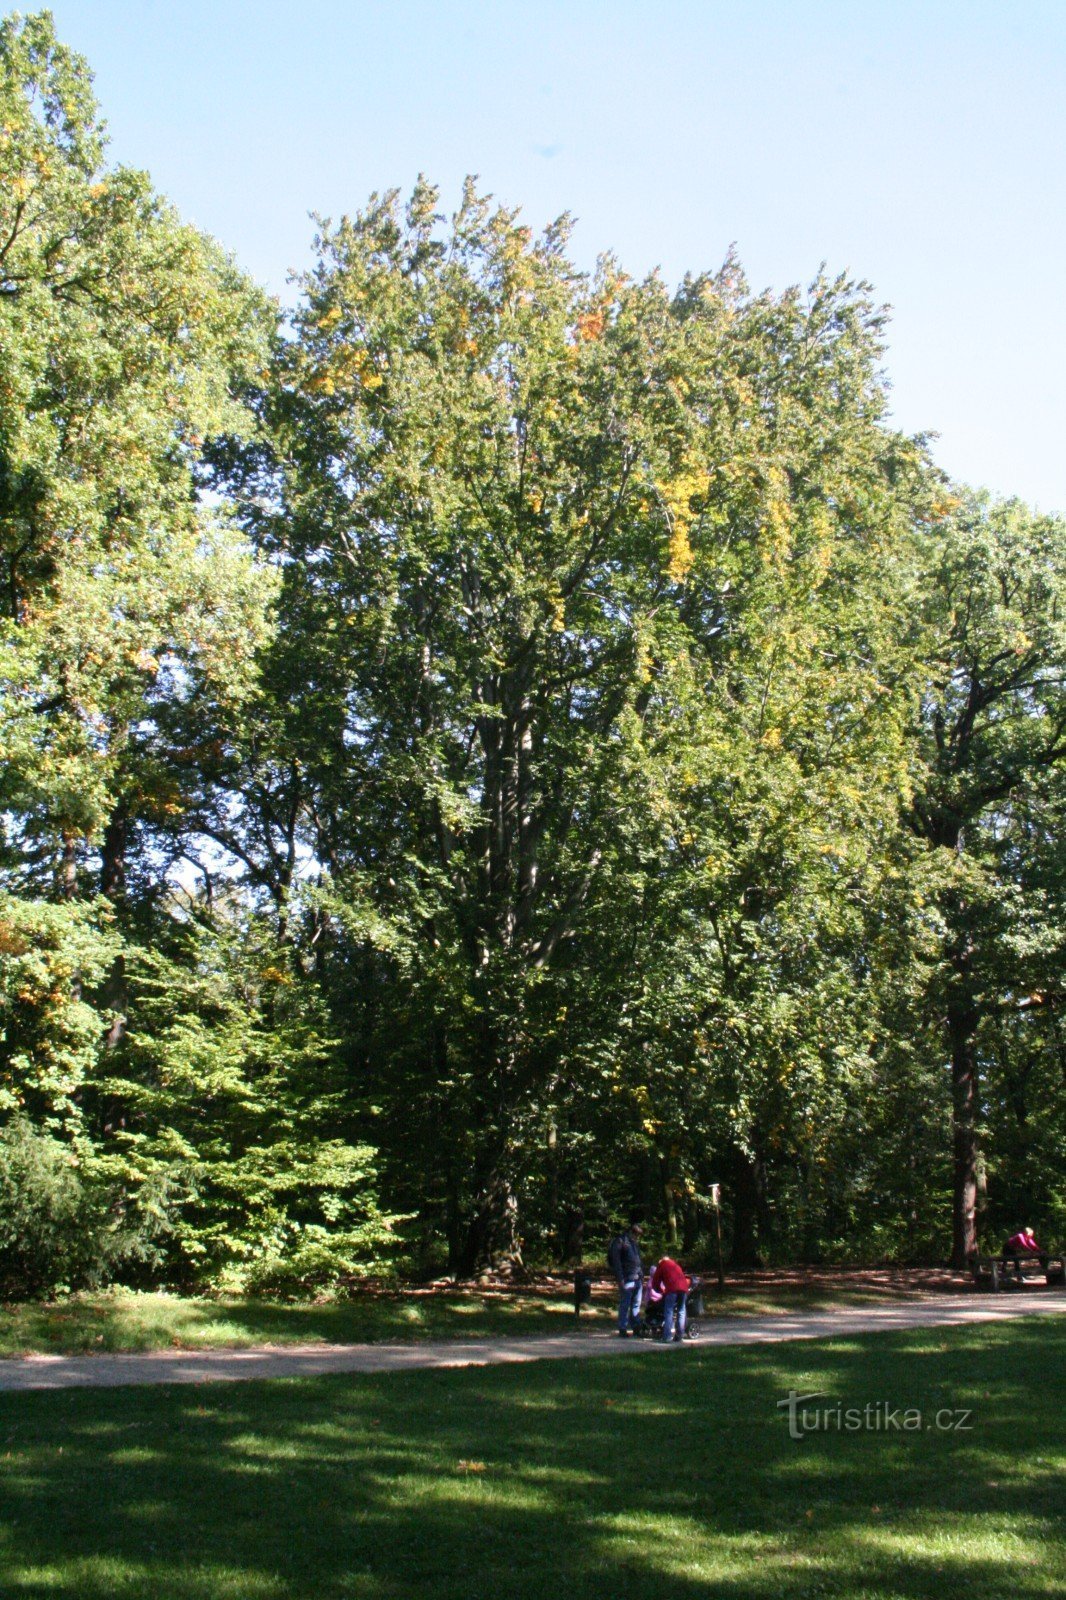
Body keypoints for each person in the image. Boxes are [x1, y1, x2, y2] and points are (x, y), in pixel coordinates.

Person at [608, 1222, 644, 1336]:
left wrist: (641, 1275)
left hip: (637, 1277)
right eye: (636, 1235)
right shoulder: (621, 1242)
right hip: (627, 1278)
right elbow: (617, 1263)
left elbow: (638, 1260)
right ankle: (622, 1328)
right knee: (625, 1304)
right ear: (631, 1232)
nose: (637, 1238)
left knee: (636, 1304)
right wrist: (620, 1279)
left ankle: (636, 1326)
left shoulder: (634, 1244)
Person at [649, 1254, 691, 1343]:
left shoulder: (662, 1265)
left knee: (669, 1311)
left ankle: (667, 1336)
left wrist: (660, 1291)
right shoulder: (676, 1265)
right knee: (681, 1311)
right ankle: (679, 1335)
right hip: (683, 1290)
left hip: (672, 1290)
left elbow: (655, 1282)